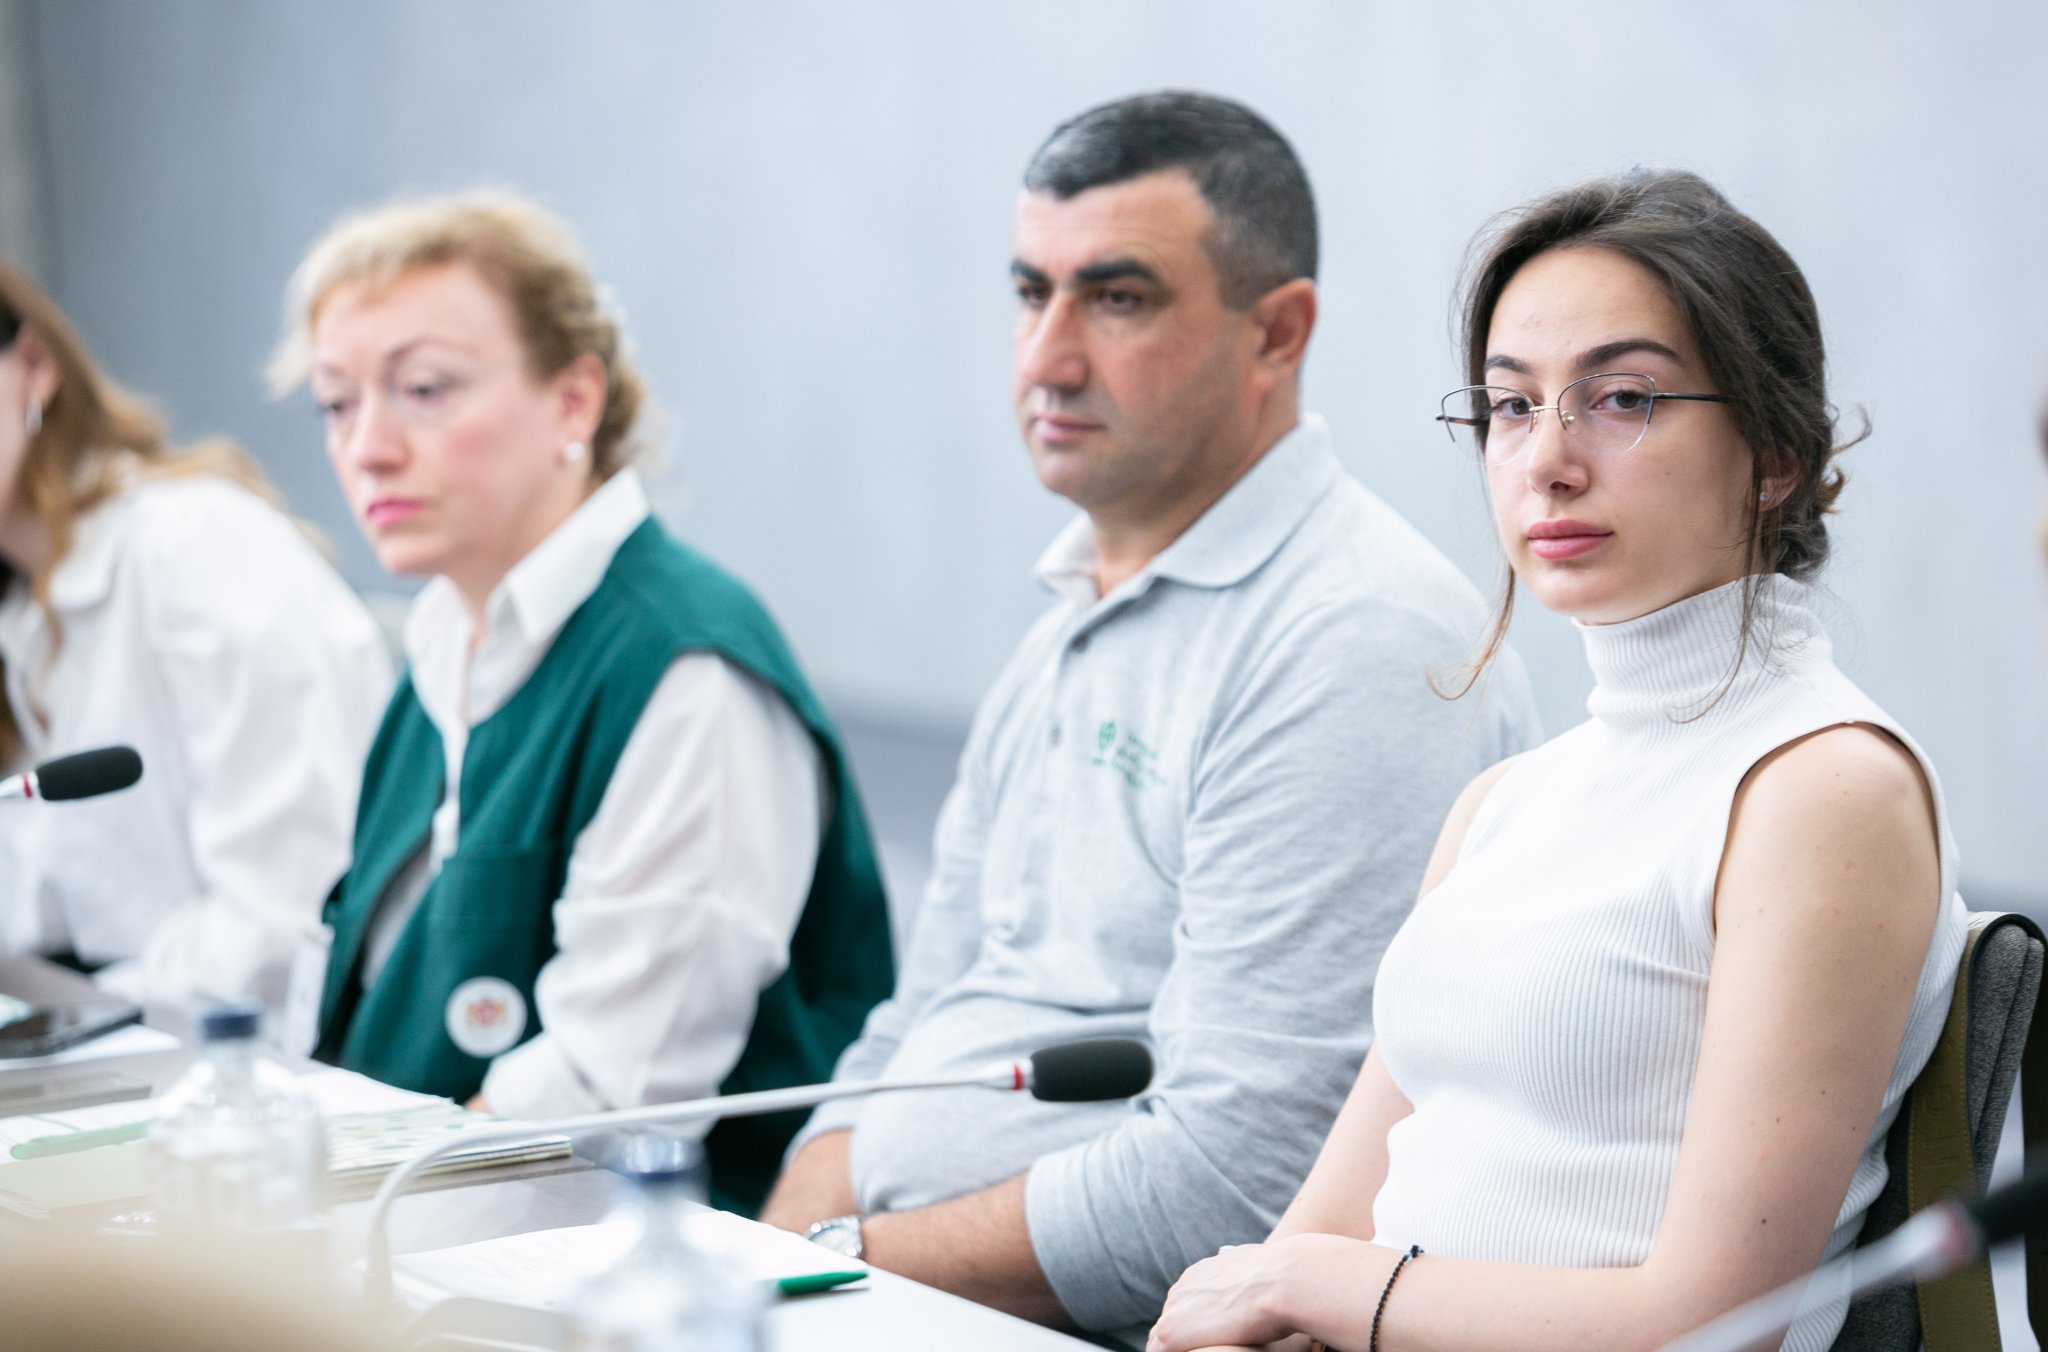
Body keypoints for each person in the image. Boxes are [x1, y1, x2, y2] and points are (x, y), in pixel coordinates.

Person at [759, 91, 1539, 1343]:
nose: (1046, 358)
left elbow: (1233, 1179)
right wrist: (767, 1268)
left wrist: (826, 1269)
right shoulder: (1075, 610)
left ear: (1276, 332)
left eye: (1114, 298)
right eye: (1030, 293)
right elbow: (913, 1030)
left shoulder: (1355, 638)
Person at [1150, 169, 1971, 1352]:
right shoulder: (1501, 804)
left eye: (1620, 398)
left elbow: (1710, 1318)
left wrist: (1318, 1288)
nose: (1545, 458)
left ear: (1775, 452)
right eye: (1509, 405)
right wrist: (1266, 1302)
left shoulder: (1821, 788)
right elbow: (1312, 1236)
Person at [270, 192, 893, 1216]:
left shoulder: (685, 667)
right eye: (336, 403)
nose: (367, 447)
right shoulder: (439, 636)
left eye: (423, 389)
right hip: (410, 1214)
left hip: (629, 1254)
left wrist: (325, 1225)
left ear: (573, 401)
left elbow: (606, 1096)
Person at [0, 254, 390, 1011]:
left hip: (239, 1051)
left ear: (36, 368)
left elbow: (285, 923)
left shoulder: (192, 544)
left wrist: (73, 1020)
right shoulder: (22, 607)